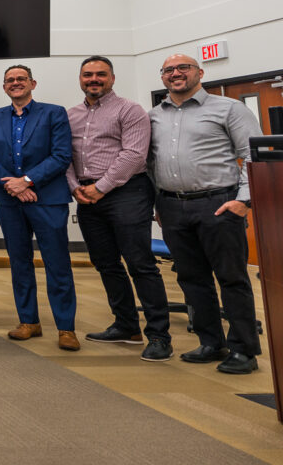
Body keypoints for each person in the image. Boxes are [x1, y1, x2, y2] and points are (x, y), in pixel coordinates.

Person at [150, 54, 261, 374]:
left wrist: (245, 200)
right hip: (172, 207)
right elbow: (149, 165)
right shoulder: (153, 116)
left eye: (183, 68)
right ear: (163, 78)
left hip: (219, 203)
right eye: (169, 70)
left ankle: (244, 349)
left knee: (232, 278)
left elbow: (254, 154)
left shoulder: (228, 109)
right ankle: (211, 342)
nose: (176, 74)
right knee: (191, 278)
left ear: (200, 72)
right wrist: (158, 203)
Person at [67, 56, 172, 362]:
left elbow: (134, 155)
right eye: (88, 75)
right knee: (106, 263)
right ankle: (126, 325)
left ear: (112, 78)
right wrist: (75, 187)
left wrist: (101, 187)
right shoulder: (70, 115)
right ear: (80, 79)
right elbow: (64, 156)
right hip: (86, 196)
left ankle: (159, 336)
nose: (94, 79)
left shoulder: (130, 110)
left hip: (127, 192)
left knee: (140, 263)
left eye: (101, 74)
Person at [0, 64, 80, 351]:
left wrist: (27, 181)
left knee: (57, 264)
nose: (15, 83)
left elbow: (61, 156)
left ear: (32, 83)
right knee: (19, 262)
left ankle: (65, 327)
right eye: (10, 80)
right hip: (8, 200)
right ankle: (29, 321)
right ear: (4, 87)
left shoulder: (54, 113)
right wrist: (12, 185)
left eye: (21, 79)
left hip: (47, 198)